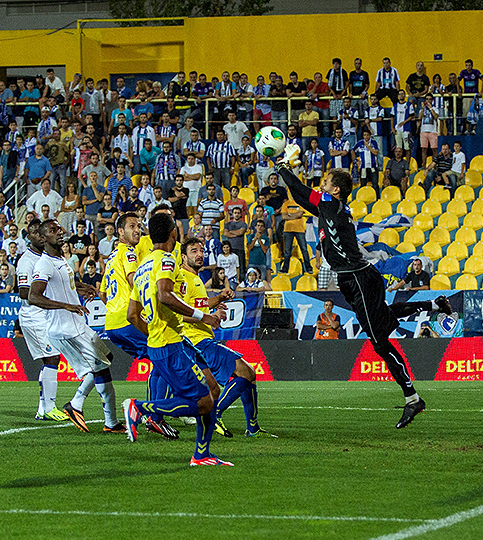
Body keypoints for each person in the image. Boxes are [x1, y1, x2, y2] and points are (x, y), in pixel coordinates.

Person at [274, 146, 435, 428]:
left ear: (335, 190)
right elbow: (300, 196)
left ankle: (413, 398)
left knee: (379, 341)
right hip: (353, 279)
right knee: (380, 321)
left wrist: (283, 167)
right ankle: (432, 305)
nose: (322, 186)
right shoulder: (331, 209)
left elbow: (300, 190)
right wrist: (285, 171)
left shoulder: (331, 205)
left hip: (359, 278)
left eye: (326, 183)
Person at [122, 213, 232, 466]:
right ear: (174, 233)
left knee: (212, 390)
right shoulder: (166, 260)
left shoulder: (142, 267)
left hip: (174, 340)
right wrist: (203, 316)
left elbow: (132, 315)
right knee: (203, 403)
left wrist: (153, 333)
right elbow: (164, 295)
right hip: (169, 344)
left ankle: (202, 455)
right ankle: (140, 408)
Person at [28, 219, 123, 434]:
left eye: (59, 228)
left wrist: (80, 287)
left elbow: (63, 285)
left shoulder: (61, 259)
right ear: (43, 238)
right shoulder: (44, 264)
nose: (59, 232)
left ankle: (103, 418)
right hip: (65, 329)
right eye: (53, 230)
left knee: (105, 360)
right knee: (100, 367)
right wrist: (65, 305)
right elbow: (33, 296)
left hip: (77, 325)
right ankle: (82, 407)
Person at [179, 238, 274, 438]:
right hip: (197, 342)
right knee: (247, 373)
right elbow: (177, 313)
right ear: (183, 257)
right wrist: (208, 317)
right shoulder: (183, 279)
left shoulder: (195, 279)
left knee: (247, 376)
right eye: (193, 251)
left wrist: (219, 299)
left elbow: (199, 306)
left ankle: (253, 428)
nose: (199, 254)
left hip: (202, 339)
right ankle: (214, 415)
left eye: (201, 250)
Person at [97, 212, 177, 439]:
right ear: (120, 232)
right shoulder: (129, 253)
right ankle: (153, 415)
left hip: (113, 324)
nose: (137, 230)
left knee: (158, 359)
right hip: (127, 319)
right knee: (164, 356)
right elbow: (135, 280)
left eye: (139, 226)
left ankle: (155, 413)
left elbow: (102, 293)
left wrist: (116, 307)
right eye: (132, 226)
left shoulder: (112, 257)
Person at [15, 219, 68, 422]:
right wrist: (46, 293)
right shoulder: (26, 261)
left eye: (41, 232)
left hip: (46, 314)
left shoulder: (47, 257)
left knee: (52, 359)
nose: (40, 236)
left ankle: (43, 409)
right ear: (29, 237)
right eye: (35, 233)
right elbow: (23, 292)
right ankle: (49, 407)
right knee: (52, 358)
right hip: (34, 315)